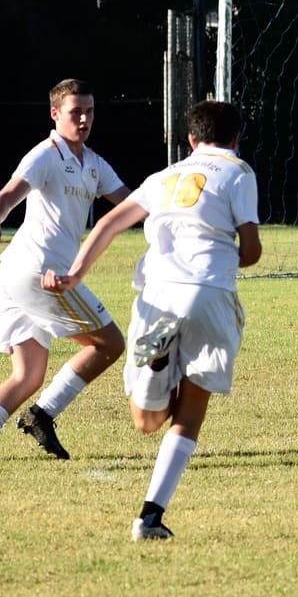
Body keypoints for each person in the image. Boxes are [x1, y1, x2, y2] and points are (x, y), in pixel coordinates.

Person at [42, 100, 262, 540]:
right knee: (190, 411)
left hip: (157, 296)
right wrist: (226, 258)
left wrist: (76, 274)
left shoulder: (164, 176)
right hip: (208, 293)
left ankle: (159, 364)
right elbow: (252, 250)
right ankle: (149, 516)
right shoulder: (239, 172)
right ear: (235, 139)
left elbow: (109, 223)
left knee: (146, 421)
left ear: (191, 140)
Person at [0, 78, 130, 472]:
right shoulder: (46, 154)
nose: (84, 119)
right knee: (110, 344)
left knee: (27, 374)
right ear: (54, 114)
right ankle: (42, 414)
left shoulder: (94, 164)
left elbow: (131, 204)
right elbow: (8, 193)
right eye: (75, 112)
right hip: (39, 273)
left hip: (14, 274)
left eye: (90, 111)